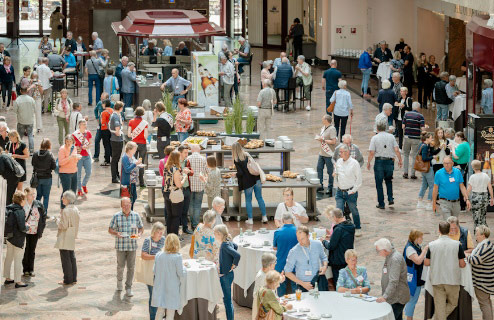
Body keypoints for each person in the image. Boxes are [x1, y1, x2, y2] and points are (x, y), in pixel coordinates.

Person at [424, 221, 466, 320]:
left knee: (440, 308)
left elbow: (426, 263)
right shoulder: (457, 245)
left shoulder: (432, 245)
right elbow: (462, 264)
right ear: (449, 231)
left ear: (439, 231)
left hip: (437, 280)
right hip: (453, 280)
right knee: (453, 304)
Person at [108, 197, 144, 297]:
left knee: (131, 267)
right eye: (124, 205)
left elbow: (141, 228)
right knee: (120, 266)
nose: (126, 207)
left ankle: (128, 287)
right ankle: (119, 283)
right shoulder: (116, 216)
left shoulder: (136, 215)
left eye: (127, 204)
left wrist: (139, 234)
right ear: (121, 206)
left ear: (131, 204)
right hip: (120, 246)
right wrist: (116, 233)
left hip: (132, 246)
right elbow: (110, 229)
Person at [367, 122, 403, 209]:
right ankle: (390, 198)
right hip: (389, 161)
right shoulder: (391, 137)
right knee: (389, 180)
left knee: (379, 183)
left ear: (377, 129)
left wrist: (368, 162)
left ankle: (381, 203)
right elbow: (396, 149)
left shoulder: (374, 138)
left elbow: (371, 152)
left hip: (379, 161)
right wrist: (400, 159)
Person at [232, 141, 267, 225]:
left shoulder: (237, 160)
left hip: (248, 182)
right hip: (256, 178)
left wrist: (235, 174)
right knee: (259, 198)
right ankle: (264, 216)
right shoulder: (247, 154)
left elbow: (240, 173)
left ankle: (250, 219)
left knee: (248, 200)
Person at [375, 238, 410, 319]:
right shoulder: (389, 255)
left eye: (378, 251)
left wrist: (385, 296)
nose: (378, 253)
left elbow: (393, 281)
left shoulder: (395, 259)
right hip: (394, 297)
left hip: (397, 298)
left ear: (384, 250)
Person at [285, 225, 328, 292]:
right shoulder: (294, 251)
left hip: (318, 281)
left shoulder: (317, 244)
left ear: (308, 236)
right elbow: (287, 272)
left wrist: (325, 266)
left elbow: (324, 257)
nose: (300, 242)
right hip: (302, 285)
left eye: (302, 239)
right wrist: (302, 283)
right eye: (298, 239)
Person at [152, 233, 185, 320]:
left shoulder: (158, 255)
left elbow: (154, 271)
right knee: (170, 313)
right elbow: (181, 273)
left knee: (159, 311)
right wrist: (185, 267)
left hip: (160, 287)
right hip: (172, 289)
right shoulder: (177, 257)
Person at [322, 206, 355, 285]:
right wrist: (331, 237)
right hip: (347, 257)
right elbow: (342, 238)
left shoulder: (338, 229)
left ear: (335, 217)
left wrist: (323, 241)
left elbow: (331, 246)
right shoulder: (350, 226)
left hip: (338, 259)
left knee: (339, 283)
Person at [333, 145, 362, 234]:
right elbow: (337, 173)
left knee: (354, 210)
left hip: (350, 192)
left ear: (347, 152)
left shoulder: (354, 163)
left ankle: (357, 227)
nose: (340, 154)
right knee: (338, 210)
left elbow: (359, 179)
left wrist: (353, 190)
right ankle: (339, 228)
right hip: (340, 191)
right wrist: (335, 175)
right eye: (340, 152)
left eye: (341, 152)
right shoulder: (338, 161)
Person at [467, 225, 494, 320]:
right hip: (485, 281)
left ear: (483, 236)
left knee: (484, 305)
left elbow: (475, 260)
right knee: (486, 303)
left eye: (477, 234)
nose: (476, 236)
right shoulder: (485, 245)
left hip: (482, 282)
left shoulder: (484, 247)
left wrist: (465, 256)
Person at [3, 190, 28, 288]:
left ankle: (7, 277)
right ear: (21, 200)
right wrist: (27, 227)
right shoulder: (20, 211)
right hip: (18, 239)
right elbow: (22, 227)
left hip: (10, 237)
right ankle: (18, 281)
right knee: (18, 259)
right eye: (24, 199)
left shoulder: (8, 208)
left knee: (9, 257)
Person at [215, 224, 240, 320]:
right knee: (227, 299)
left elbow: (237, 255)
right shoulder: (228, 241)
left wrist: (234, 264)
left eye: (215, 234)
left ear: (219, 234)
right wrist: (230, 262)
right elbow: (236, 246)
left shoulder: (224, 245)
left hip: (225, 276)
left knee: (227, 300)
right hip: (228, 274)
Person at [54, 190, 80, 285]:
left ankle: (67, 279)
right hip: (72, 233)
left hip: (65, 235)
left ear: (68, 199)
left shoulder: (66, 210)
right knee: (71, 256)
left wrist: (57, 220)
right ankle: (74, 278)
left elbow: (63, 225)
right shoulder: (76, 209)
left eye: (63, 198)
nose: (62, 199)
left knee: (65, 258)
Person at [141, 222, 165, 320]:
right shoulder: (148, 241)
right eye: (158, 232)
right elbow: (143, 255)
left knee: (162, 295)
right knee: (153, 296)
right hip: (151, 272)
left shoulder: (163, 240)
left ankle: (161, 316)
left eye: (162, 232)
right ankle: (153, 317)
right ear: (154, 232)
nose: (160, 234)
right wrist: (156, 257)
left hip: (162, 272)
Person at [403, 230, 428, 320]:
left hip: (416, 276)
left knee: (413, 299)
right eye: (421, 237)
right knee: (412, 300)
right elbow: (418, 261)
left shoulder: (415, 246)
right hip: (413, 278)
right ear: (416, 238)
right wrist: (425, 250)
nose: (422, 239)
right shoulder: (410, 248)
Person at [21, 187, 46, 278]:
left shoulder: (38, 204)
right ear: (27, 195)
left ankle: (31, 269)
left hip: (35, 231)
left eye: (34, 194)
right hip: (25, 231)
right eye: (31, 194)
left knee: (32, 250)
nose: (33, 196)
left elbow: (43, 216)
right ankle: (25, 269)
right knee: (26, 249)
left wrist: (41, 228)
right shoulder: (23, 204)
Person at [162, 151, 187, 234]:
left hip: (166, 192)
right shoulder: (175, 169)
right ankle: (175, 236)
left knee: (169, 215)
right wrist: (184, 178)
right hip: (174, 194)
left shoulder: (166, 167)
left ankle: (169, 235)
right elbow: (179, 185)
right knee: (176, 216)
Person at [273, 213, 298, 296]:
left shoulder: (278, 232)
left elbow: (275, 247)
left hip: (281, 264)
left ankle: (281, 307)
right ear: (292, 220)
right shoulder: (298, 231)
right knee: (296, 289)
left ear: (283, 221)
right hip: (295, 265)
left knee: (280, 290)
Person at [467, 160, 494, 229]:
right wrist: (492, 198)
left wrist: (466, 197)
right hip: (484, 196)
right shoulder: (485, 176)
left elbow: (469, 188)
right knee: (483, 216)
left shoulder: (472, 177)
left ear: (473, 167)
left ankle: (478, 233)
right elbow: (490, 187)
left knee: (476, 217)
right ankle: (484, 232)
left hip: (475, 197)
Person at [32, 138, 56, 213]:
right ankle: (44, 213)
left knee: (38, 195)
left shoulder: (35, 154)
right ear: (49, 145)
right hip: (47, 178)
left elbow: (33, 164)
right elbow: (54, 166)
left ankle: (36, 212)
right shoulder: (50, 154)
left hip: (37, 178)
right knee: (46, 196)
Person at [402, 101, 425, 178]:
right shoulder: (420, 116)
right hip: (416, 138)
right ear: (418, 108)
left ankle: (405, 172)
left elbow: (403, 126)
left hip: (407, 137)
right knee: (414, 155)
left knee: (406, 154)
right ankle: (412, 173)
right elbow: (423, 129)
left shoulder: (406, 114)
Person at [185, 145, 206, 230]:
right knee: (197, 205)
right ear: (198, 150)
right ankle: (195, 224)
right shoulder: (203, 159)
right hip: (200, 185)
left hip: (190, 185)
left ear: (192, 150)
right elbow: (207, 171)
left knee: (190, 205)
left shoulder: (188, 158)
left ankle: (192, 222)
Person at [315, 114, 337, 194]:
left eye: (323, 119)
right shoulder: (323, 127)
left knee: (330, 171)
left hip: (329, 154)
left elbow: (334, 141)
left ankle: (330, 187)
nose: (322, 120)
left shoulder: (332, 129)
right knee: (319, 168)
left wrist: (323, 140)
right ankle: (320, 185)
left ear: (326, 120)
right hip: (322, 152)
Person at [252, 253, 278, 320]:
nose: (275, 264)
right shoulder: (262, 276)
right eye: (275, 263)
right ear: (270, 265)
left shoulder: (267, 272)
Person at [128, 107, 148, 187]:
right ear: (143, 114)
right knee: (141, 163)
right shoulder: (145, 123)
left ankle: (133, 181)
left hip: (133, 145)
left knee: (133, 163)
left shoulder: (131, 121)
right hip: (142, 144)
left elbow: (129, 134)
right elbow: (146, 136)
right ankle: (141, 182)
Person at [58, 134, 79, 208]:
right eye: (67, 141)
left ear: (73, 142)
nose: (69, 143)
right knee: (66, 191)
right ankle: (63, 209)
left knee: (73, 191)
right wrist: (70, 157)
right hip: (65, 173)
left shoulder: (74, 148)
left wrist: (77, 158)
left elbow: (75, 160)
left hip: (74, 171)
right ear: (65, 142)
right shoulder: (62, 149)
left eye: (70, 141)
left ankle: (71, 207)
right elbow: (61, 162)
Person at [72, 120, 92, 197]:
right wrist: (78, 147)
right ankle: (79, 189)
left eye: (85, 124)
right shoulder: (75, 134)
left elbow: (90, 143)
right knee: (78, 174)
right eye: (83, 124)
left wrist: (87, 146)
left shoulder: (88, 133)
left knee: (89, 172)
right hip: (79, 156)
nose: (84, 126)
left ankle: (84, 184)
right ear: (79, 125)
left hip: (87, 155)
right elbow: (72, 145)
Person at [13, 87, 35, 154]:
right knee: (30, 135)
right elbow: (34, 108)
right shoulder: (31, 99)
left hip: (21, 121)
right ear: (27, 91)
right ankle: (31, 150)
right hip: (30, 120)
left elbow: (15, 110)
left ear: (20, 91)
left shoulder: (18, 100)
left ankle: (19, 149)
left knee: (19, 136)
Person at [416, 132, 435, 210]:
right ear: (427, 139)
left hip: (423, 169)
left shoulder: (422, 145)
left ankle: (420, 202)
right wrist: (432, 157)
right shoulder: (425, 147)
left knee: (424, 185)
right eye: (431, 138)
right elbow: (424, 158)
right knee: (432, 186)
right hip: (427, 168)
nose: (432, 139)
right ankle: (429, 203)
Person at [178, 145, 193, 234]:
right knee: (178, 209)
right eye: (185, 152)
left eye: (187, 152)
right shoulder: (176, 162)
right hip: (179, 188)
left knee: (185, 209)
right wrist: (182, 171)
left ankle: (185, 227)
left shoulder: (187, 161)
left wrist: (189, 171)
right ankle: (178, 228)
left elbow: (192, 172)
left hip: (187, 188)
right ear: (180, 153)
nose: (187, 154)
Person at [109, 101, 124, 184]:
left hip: (115, 139)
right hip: (117, 140)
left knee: (116, 159)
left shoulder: (115, 115)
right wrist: (119, 132)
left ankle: (116, 175)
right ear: (120, 108)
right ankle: (114, 177)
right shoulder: (115, 117)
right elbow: (117, 128)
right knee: (115, 159)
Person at [98, 99, 113, 166]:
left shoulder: (104, 112)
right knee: (110, 144)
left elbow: (102, 122)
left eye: (103, 104)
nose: (102, 105)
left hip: (105, 129)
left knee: (106, 145)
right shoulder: (112, 111)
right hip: (111, 130)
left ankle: (107, 160)